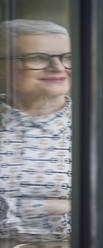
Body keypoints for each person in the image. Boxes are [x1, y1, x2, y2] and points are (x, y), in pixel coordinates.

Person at [0, 19, 72, 248]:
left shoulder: (100, 129)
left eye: (67, 57)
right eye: (38, 58)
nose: (59, 68)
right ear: (3, 68)